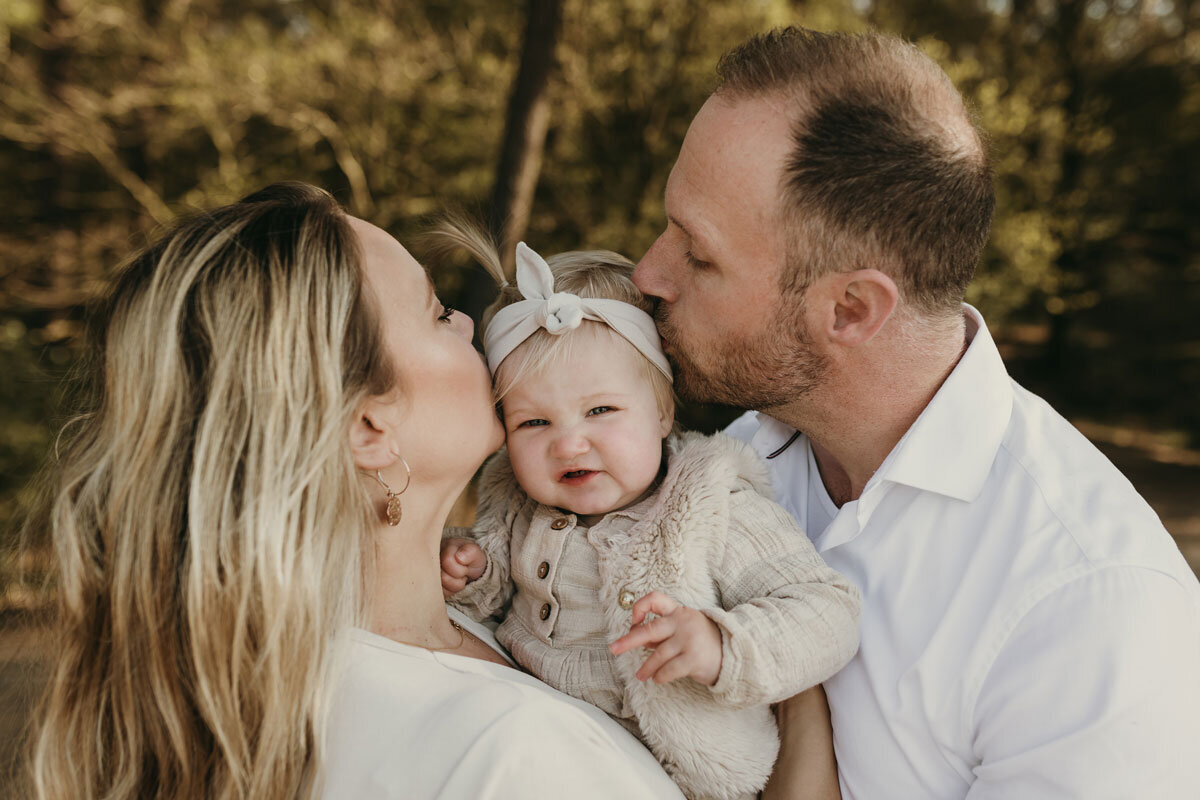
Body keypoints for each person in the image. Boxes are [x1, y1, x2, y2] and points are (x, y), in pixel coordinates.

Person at [632, 26, 1200, 799]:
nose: (650, 273)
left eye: (698, 255)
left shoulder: (1090, 610)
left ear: (852, 309)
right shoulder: (722, 463)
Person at [27, 182, 686, 800]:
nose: (470, 328)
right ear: (369, 428)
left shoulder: (272, 690)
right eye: (438, 313)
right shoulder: (512, 752)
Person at [436, 232, 860, 800]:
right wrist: (469, 568)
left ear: (662, 412)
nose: (568, 444)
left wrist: (719, 644)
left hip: (686, 778)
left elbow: (828, 611)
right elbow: (489, 592)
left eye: (600, 411)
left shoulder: (711, 504)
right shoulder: (514, 499)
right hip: (547, 757)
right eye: (534, 423)